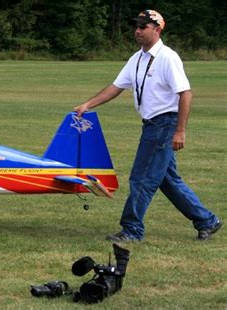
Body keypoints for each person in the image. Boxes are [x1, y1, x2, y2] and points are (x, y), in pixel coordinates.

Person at [73, 10, 222, 242]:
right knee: (167, 180)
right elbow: (116, 87)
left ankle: (132, 230)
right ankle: (207, 221)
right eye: (136, 26)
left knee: (142, 178)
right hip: (151, 124)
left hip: (164, 124)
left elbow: (185, 94)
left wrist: (180, 131)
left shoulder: (167, 57)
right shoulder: (137, 59)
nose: (138, 31)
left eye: (143, 27)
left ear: (157, 29)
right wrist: (88, 104)